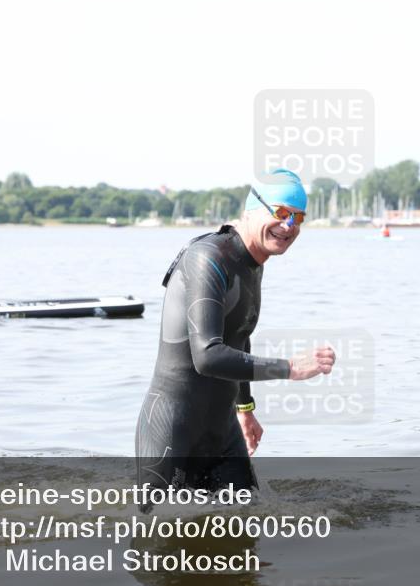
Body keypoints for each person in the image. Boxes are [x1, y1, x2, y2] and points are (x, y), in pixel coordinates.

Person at [135, 168, 336, 497]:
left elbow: (238, 336)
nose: (290, 226)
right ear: (251, 209)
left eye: (299, 217)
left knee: (247, 528)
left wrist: (245, 409)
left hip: (222, 430)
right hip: (173, 430)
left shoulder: (252, 263)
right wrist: (289, 368)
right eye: (282, 212)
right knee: (163, 538)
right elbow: (208, 356)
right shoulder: (207, 258)